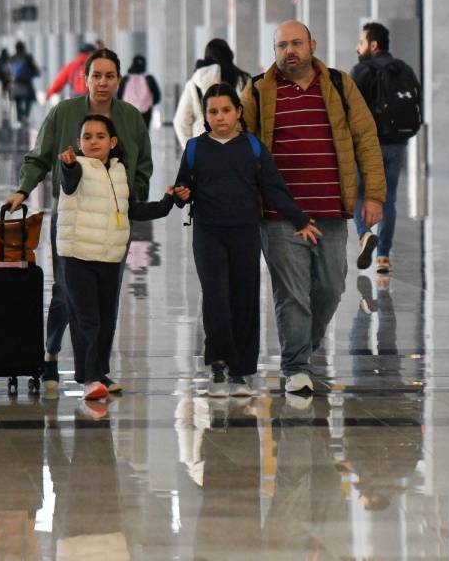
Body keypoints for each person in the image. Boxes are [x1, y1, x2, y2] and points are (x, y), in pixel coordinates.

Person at [241, 20, 386, 394]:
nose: (289, 51)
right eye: (281, 46)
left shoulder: (338, 85)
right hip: (280, 215)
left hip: (330, 210)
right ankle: (296, 366)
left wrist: (374, 195)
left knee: (331, 286)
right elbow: (239, 145)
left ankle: (305, 344)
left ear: (312, 45)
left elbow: (365, 137)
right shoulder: (258, 91)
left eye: (296, 43)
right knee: (291, 291)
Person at [3, 49, 154, 392]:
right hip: (72, 220)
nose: (102, 82)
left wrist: (132, 197)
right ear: (84, 79)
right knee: (65, 292)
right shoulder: (65, 113)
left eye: (110, 76)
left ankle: (97, 371)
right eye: (96, 75)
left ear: (119, 79)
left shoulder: (130, 117)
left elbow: (143, 164)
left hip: (113, 223)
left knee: (107, 297)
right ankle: (51, 354)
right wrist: (22, 190)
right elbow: (39, 156)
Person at [173, 83, 321, 397]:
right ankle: (218, 364)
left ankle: (241, 370)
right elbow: (182, 187)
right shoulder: (196, 148)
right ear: (206, 115)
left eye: (226, 110)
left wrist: (300, 218)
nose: (220, 117)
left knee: (244, 298)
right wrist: (181, 194)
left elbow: (273, 188)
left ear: (238, 112)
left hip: (244, 232)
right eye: (213, 111)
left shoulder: (252, 147)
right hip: (208, 233)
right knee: (216, 299)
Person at [55, 114, 176, 400]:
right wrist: (68, 165)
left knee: (106, 319)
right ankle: (89, 379)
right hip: (77, 255)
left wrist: (169, 202)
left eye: (99, 136)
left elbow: (133, 210)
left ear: (113, 142)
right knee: (87, 320)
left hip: (109, 257)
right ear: (78, 144)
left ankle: (99, 372)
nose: (93, 141)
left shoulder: (120, 171)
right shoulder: (76, 166)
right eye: (87, 137)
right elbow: (69, 183)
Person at [350, 21, 422, 274]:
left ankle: (364, 234)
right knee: (388, 199)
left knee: (359, 195)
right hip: (397, 144)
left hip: (368, 146)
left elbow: (349, 108)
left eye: (361, 42)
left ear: (373, 44)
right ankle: (383, 257)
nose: (358, 48)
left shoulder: (362, 70)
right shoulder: (404, 69)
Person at [172, 38, 249, 148]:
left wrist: (190, 151)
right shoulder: (243, 80)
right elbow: (250, 116)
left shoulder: (194, 82)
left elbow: (180, 122)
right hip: (236, 145)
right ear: (229, 55)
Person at [116, 54, 160, 128]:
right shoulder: (149, 78)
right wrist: (149, 104)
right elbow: (157, 97)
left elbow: (119, 96)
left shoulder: (125, 79)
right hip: (146, 111)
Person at [8, 42, 40, 123]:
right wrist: (35, 74)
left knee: (18, 102)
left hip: (16, 84)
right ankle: (26, 116)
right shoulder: (28, 57)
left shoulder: (12, 58)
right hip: (26, 84)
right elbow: (34, 69)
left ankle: (19, 118)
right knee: (29, 100)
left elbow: (10, 71)